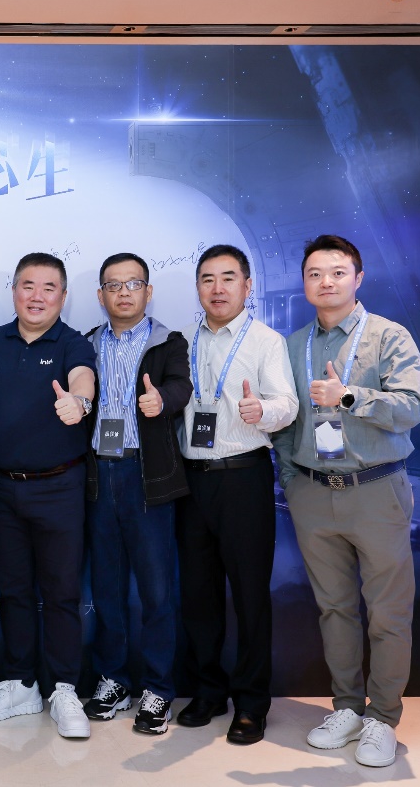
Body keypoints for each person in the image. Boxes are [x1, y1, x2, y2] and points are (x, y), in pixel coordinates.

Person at [274, 235, 420, 768]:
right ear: (304, 282)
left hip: (376, 490)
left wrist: (348, 396)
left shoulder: (388, 336)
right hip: (314, 494)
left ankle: (382, 717)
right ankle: (346, 708)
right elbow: (287, 422)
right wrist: (292, 481)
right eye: (315, 273)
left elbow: (413, 407)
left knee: (387, 612)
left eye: (338, 272)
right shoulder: (294, 345)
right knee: (334, 609)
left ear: (358, 278)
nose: (326, 282)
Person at [175, 244, 298, 745]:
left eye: (228, 278)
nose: (218, 288)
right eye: (208, 279)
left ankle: (251, 703)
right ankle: (208, 691)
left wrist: (262, 412)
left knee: (249, 595)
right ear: (198, 288)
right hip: (191, 481)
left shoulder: (266, 341)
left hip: (243, 477)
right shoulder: (182, 341)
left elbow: (287, 402)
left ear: (248, 286)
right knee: (198, 594)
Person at [0, 253, 95, 738]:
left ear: (63, 296)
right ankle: (20, 684)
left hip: (60, 487)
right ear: (14, 291)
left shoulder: (72, 343)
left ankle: (64, 688)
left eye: (48, 288)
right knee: (13, 590)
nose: (37, 296)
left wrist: (79, 402)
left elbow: (83, 377)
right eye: (28, 285)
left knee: (62, 592)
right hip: (1, 489)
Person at [82, 253, 192, 735]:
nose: (123, 292)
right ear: (100, 295)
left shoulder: (169, 341)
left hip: (146, 477)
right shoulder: (86, 343)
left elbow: (182, 386)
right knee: (106, 587)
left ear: (148, 291)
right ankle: (113, 679)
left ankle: (158, 688)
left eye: (133, 283)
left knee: (155, 590)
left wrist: (162, 399)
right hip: (97, 475)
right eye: (114, 285)